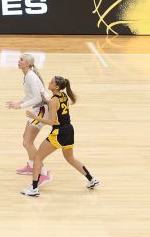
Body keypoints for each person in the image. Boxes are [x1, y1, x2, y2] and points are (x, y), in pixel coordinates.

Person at [21, 76, 100, 197]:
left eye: (51, 82)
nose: (49, 82)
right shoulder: (63, 96)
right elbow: (55, 104)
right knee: (70, 158)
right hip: (69, 131)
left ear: (56, 87)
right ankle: (91, 179)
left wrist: (35, 117)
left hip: (59, 133)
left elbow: (52, 121)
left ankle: (34, 188)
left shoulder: (53, 100)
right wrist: (46, 100)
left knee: (37, 157)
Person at [6, 54, 52, 183]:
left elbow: (37, 98)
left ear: (28, 63)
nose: (18, 61)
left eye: (21, 60)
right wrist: (18, 102)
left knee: (27, 142)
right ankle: (32, 166)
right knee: (26, 140)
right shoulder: (28, 75)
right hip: (38, 109)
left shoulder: (31, 76)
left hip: (42, 110)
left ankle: (43, 173)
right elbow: (30, 96)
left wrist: (20, 106)